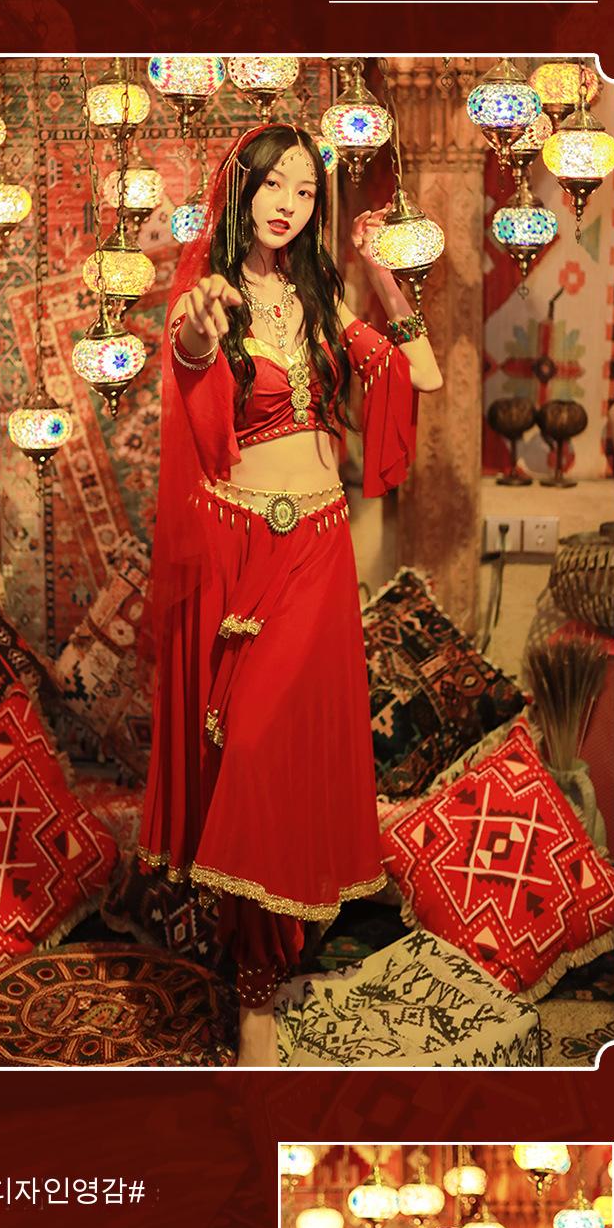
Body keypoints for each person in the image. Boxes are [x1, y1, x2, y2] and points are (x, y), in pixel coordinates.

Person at [136, 122, 443, 1065]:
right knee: (245, 758)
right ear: (242, 190)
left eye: (306, 191)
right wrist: (199, 326)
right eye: (274, 184)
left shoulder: (319, 299)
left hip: (317, 551)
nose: (289, 204)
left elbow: (422, 373)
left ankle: (261, 991)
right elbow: (192, 358)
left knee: (278, 750)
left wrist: (383, 277)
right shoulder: (208, 296)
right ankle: (256, 981)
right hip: (241, 553)